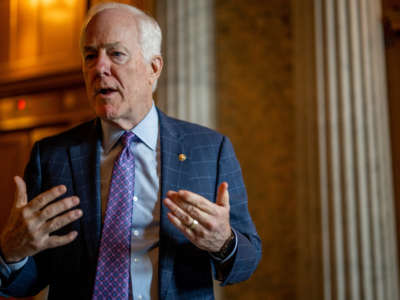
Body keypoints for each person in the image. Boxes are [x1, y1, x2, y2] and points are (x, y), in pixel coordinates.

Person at [0, 2, 261, 300]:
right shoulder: (52, 156)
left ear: (153, 68)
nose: (99, 67)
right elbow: (27, 282)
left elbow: (246, 263)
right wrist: (12, 252)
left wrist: (224, 242)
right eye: (90, 55)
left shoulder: (210, 150)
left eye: (116, 54)